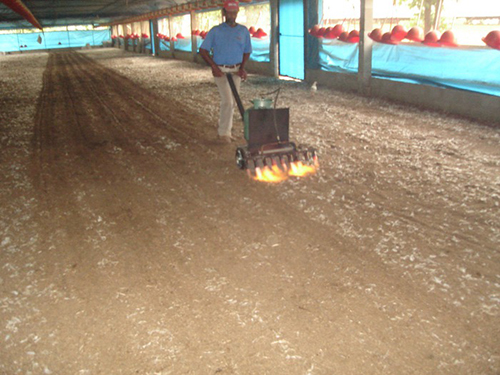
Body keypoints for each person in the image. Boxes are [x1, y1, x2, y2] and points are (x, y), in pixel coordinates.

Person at [199, 0, 252, 144]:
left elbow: (247, 51)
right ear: (224, 13)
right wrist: (214, 66)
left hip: (235, 70)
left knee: (233, 101)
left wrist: (242, 68)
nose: (232, 15)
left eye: (234, 13)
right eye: (229, 12)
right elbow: (202, 50)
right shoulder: (216, 31)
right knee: (228, 101)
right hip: (221, 71)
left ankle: (227, 131)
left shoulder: (243, 31)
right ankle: (223, 134)